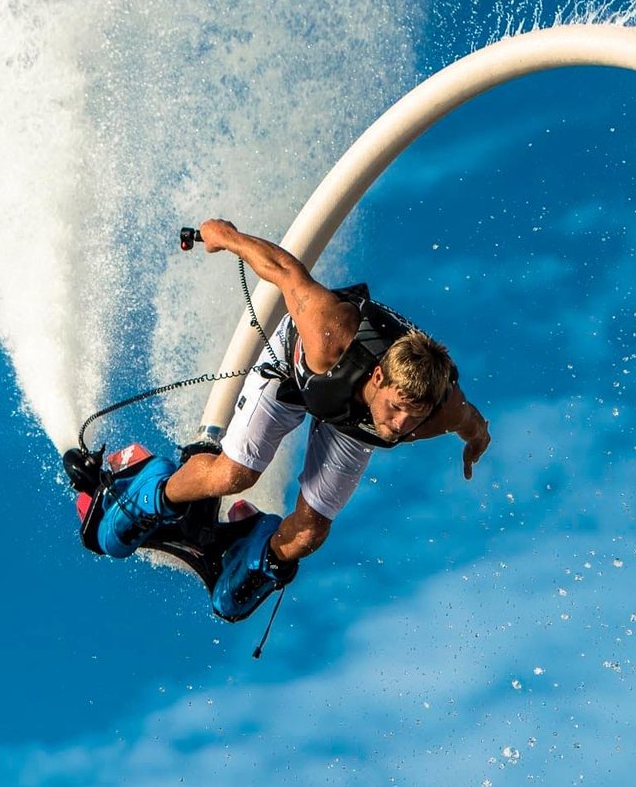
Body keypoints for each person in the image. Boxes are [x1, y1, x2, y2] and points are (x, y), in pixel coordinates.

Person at [98, 218, 493, 621]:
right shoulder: (329, 331)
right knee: (235, 474)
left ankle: (255, 556)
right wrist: (226, 238)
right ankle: (152, 494)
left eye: (415, 416)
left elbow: (476, 426)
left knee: (310, 533)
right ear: (378, 377)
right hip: (291, 374)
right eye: (396, 407)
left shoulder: (442, 412)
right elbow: (285, 270)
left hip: (349, 426)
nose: (400, 425)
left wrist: (477, 443)